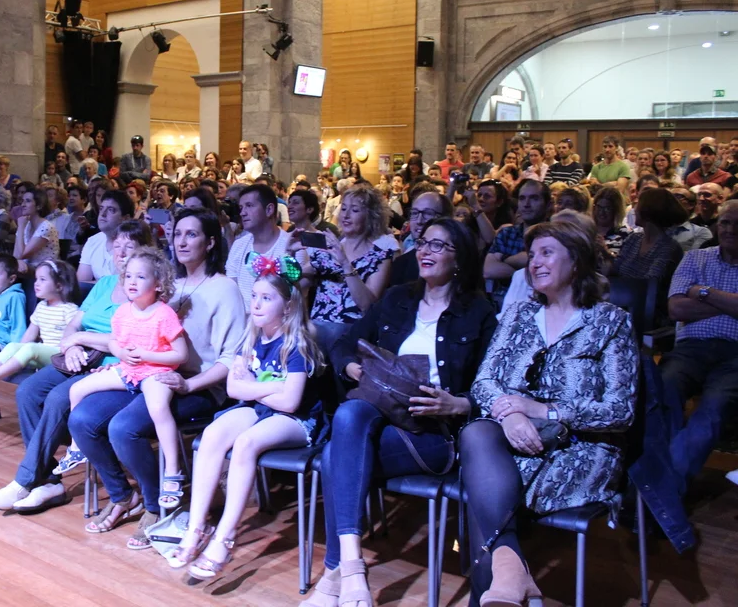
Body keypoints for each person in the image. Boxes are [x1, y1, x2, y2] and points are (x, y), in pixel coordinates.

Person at [306, 218, 496, 607]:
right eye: (423, 243)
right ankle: (353, 568)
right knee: (350, 414)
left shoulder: (478, 311)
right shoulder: (397, 298)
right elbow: (344, 344)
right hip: (379, 414)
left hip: (433, 431)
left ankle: (334, 574)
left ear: (459, 258)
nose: (425, 251)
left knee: (335, 454)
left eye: (438, 245)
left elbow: (494, 382)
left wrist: (459, 403)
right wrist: (352, 368)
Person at [460, 220, 638, 606]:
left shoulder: (610, 321)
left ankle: (499, 584)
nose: (534, 262)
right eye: (532, 255)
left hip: (581, 448)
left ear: (576, 260)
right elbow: (484, 381)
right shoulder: (518, 314)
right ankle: (509, 572)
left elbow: (620, 411)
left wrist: (545, 409)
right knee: (477, 435)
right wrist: (510, 416)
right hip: (513, 438)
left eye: (547, 253)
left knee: (485, 487)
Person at [66, 208, 246, 546]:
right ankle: (123, 496)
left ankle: (155, 505)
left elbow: (230, 359)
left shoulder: (225, 289)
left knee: (124, 428)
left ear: (210, 242)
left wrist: (190, 384)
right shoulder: (167, 284)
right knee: (82, 418)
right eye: (177, 234)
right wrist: (119, 359)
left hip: (198, 385)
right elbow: (134, 332)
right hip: (151, 374)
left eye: (192, 234)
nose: (182, 241)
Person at [171, 255, 323, 580]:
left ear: (287, 307)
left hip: (297, 420)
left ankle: (225, 537)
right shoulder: (251, 337)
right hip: (261, 408)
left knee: (246, 443)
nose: (255, 304)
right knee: (213, 434)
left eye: (266, 298)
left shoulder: (296, 344)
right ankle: (196, 527)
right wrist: (270, 387)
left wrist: (253, 387)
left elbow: (290, 402)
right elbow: (233, 387)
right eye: (254, 295)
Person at [0, 221, 154, 514]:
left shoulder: (142, 289)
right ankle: (48, 481)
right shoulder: (104, 284)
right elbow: (74, 324)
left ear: (145, 251)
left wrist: (82, 339)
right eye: (116, 246)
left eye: (129, 247)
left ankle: (26, 479)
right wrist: (73, 344)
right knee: (28, 391)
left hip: (110, 366)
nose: (121, 253)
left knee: (56, 398)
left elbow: (126, 342)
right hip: (79, 356)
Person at [64, 247, 188, 518]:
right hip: (129, 369)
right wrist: (121, 354)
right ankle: (76, 447)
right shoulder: (123, 312)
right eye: (129, 276)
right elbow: (115, 343)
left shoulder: (164, 314)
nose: (132, 282)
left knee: (158, 408)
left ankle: (172, 470)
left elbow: (180, 355)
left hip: (156, 372)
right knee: (77, 389)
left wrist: (146, 355)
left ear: (158, 284)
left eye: (140, 277)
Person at [661, 200, 738, 490]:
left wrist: (702, 292)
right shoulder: (695, 258)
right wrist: (730, 303)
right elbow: (676, 309)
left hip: (735, 355)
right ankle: (664, 475)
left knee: (714, 408)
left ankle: (664, 485)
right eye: (725, 222)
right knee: (664, 389)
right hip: (691, 349)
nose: (730, 229)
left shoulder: (697, 274)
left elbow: (689, 303)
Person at [0, 259, 80, 391]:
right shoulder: (41, 306)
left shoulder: (70, 310)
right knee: (14, 345)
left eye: (42, 279)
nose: (36, 283)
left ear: (59, 286)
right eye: (36, 279)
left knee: (31, 348)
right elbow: (30, 334)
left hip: (61, 355)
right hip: (42, 355)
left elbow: (73, 339)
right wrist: (18, 350)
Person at [296, 184, 396, 346]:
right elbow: (297, 283)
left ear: (371, 216)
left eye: (355, 210)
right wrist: (288, 254)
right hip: (317, 331)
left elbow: (367, 305)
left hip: (351, 334)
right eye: (343, 209)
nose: (346, 215)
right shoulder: (327, 248)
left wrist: (345, 264)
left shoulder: (380, 256)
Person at [226, 184, 296, 304]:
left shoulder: (293, 245)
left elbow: (296, 298)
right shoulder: (239, 245)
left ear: (269, 210)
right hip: (241, 315)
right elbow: (231, 291)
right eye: (241, 208)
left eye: (249, 206)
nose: (242, 213)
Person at [484, 180, 551, 307]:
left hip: (542, 304)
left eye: (534, 198)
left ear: (548, 204)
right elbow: (489, 270)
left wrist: (505, 260)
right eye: (522, 198)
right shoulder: (507, 233)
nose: (526, 204)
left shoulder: (555, 236)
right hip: (501, 304)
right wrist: (530, 272)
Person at [611, 188, 686, 281]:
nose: (635, 210)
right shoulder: (633, 238)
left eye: (638, 204)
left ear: (648, 211)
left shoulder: (669, 247)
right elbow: (615, 270)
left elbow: (651, 282)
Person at [389, 186, 453, 287]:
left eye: (428, 213)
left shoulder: (457, 262)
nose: (419, 221)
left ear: (445, 218)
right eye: (414, 213)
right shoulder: (401, 264)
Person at [78, 189, 134, 281]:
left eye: (111, 210)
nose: (102, 214)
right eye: (101, 208)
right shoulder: (93, 241)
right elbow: (82, 282)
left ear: (126, 218)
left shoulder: (134, 244)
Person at [12, 186, 59, 276]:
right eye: (23, 201)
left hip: (45, 270)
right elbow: (16, 255)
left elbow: (21, 255)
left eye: (28, 201)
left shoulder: (46, 227)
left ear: (39, 206)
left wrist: (20, 227)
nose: (23, 204)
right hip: (26, 267)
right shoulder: (26, 224)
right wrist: (18, 261)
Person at [667, 187, 712, 252]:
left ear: (691, 205)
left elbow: (694, 256)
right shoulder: (658, 229)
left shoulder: (700, 232)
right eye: (669, 196)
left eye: (678, 196)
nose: (671, 200)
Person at [592, 186, 632, 257]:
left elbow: (625, 261)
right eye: (599, 207)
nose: (601, 212)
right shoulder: (587, 230)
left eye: (607, 208)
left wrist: (605, 251)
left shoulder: (625, 234)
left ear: (616, 210)